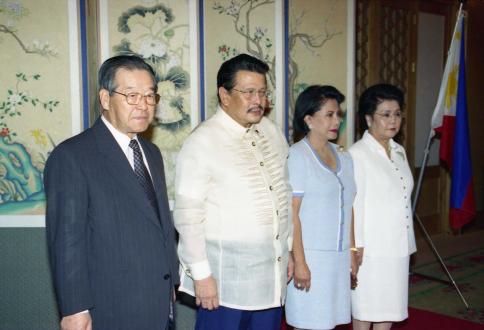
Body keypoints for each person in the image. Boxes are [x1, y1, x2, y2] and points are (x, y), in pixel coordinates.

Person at [44, 55, 179, 330]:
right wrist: (74, 310)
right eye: (131, 96)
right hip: (110, 308)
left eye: (150, 96)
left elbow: (160, 223)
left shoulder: (151, 153)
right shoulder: (72, 156)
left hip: (158, 301)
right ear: (105, 99)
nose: (143, 105)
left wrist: (170, 279)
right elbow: (68, 243)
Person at [173, 53, 293, 330]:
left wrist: (290, 251)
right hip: (225, 285)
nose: (258, 100)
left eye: (262, 92)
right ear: (224, 95)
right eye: (248, 92)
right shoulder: (202, 142)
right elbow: (188, 217)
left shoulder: (272, 132)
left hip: (270, 279)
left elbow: (284, 196)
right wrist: (201, 276)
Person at [284, 85, 357, 330]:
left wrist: (353, 251)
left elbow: (349, 207)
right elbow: (292, 214)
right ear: (309, 119)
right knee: (308, 323)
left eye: (339, 114)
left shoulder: (344, 156)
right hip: (311, 257)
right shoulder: (297, 156)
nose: (337, 120)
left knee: (330, 323)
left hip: (338, 258)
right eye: (329, 115)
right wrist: (300, 262)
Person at [350, 84, 416, 330]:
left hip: (397, 246)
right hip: (370, 251)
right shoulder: (358, 154)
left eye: (397, 114)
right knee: (365, 308)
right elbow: (355, 205)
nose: (393, 120)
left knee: (390, 307)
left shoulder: (398, 151)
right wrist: (355, 247)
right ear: (368, 118)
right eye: (385, 114)